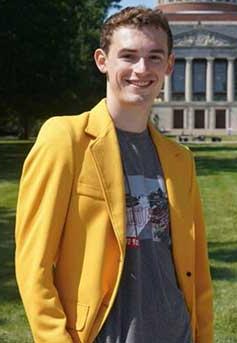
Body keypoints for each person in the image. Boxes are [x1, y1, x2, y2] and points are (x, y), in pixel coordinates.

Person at [15, 6, 213, 343]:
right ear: (102, 61)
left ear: (169, 65)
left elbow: (199, 271)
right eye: (128, 56)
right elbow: (32, 265)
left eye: (154, 57)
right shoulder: (65, 139)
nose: (141, 69)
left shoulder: (180, 159)